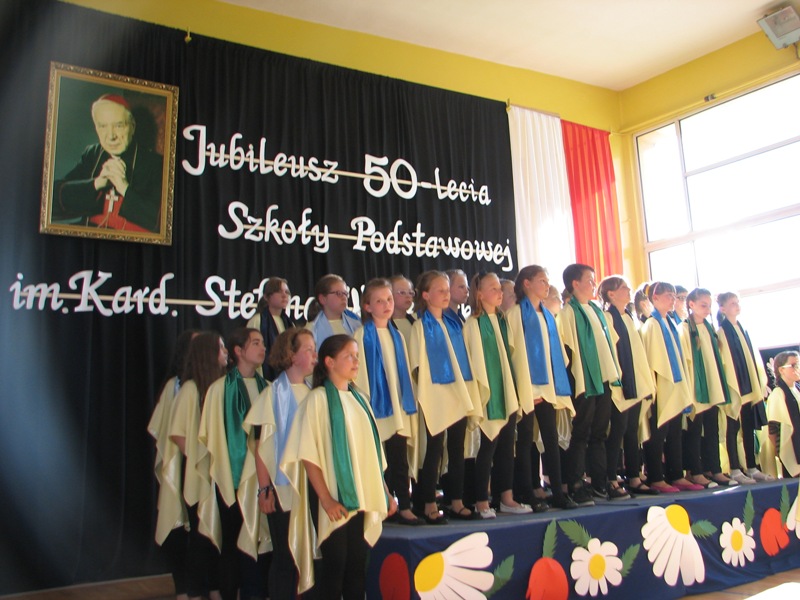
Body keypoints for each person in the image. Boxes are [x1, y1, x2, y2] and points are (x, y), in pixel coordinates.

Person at [281, 334, 396, 599]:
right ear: (329, 362)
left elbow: (372, 454)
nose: (356, 361)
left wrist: (385, 491)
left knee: (357, 566)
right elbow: (308, 454)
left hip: (361, 496)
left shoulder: (360, 399)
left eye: (357, 356)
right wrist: (326, 499)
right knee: (336, 566)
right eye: (349, 356)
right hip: (332, 496)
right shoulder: (318, 400)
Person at [198, 328, 270, 600]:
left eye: (263, 343)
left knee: (261, 543)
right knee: (232, 544)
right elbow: (212, 436)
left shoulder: (268, 388)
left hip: (263, 481)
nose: (263, 348)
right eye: (255, 343)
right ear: (238, 351)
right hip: (232, 479)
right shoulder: (219, 390)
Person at [245, 328, 316, 600]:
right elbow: (263, 447)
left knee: (311, 553)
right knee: (285, 557)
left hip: (312, 486)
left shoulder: (316, 392)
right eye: (308, 350)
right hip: (282, 488)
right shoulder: (273, 394)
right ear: (291, 355)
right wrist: (265, 489)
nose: (315, 355)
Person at [409, 270, 480, 524]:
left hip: (457, 392)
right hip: (435, 394)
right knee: (434, 449)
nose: (446, 294)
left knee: (456, 448)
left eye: (447, 290)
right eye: (440, 290)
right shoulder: (420, 326)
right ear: (426, 295)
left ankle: (456, 500)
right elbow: (416, 365)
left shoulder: (454, 324)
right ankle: (428, 502)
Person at [506, 266, 576, 510]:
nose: (546, 286)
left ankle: (558, 491)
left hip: (547, 387)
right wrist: (524, 388)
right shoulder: (516, 314)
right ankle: (527, 492)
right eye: (542, 281)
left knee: (550, 438)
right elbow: (513, 353)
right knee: (525, 439)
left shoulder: (548, 315)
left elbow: (555, 353)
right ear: (526, 283)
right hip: (527, 386)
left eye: (547, 281)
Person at [354, 279, 421, 525]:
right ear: (367, 306)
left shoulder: (397, 336)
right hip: (376, 406)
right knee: (377, 461)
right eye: (379, 301)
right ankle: (380, 506)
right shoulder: (362, 335)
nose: (386, 305)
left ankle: (404, 505)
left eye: (389, 299)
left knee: (398, 458)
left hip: (397, 407)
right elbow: (360, 375)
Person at [557, 264, 625, 505]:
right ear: (575, 283)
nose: (593, 284)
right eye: (589, 280)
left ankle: (600, 482)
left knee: (600, 432)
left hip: (603, 379)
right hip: (584, 380)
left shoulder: (597, 311)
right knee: (581, 432)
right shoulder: (568, 313)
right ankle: (576, 484)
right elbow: (567, 350)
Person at [168, 332, 228, 600]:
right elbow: (177, 433)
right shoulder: (190, 389)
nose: (226, 352)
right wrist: (199, 458)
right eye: (221, 348)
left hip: (221, 473)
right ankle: (195, 591)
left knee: (218, 536)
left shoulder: (222, 386)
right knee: (200, 535)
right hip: (199, 473)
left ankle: (215, 587)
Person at [464, 272, 528, 518]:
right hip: (488, 394)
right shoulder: (473, 324)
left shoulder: (502, 320)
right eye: (493, 288)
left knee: (506, 447)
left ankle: (506, 498)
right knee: (488, 447)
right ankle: (481, 500)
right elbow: (474, 362)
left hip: (507, 390)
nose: (499, 292)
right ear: (479, 294)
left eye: (500, 288)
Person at [52, 94, 162, 232]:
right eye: (103, 126)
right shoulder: (93, 154)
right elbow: (54, 199)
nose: (111, 136)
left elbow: (162, 221)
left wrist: (124, 188)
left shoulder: (154, 163)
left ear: (132, 127)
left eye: (119, 125)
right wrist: (96, 184)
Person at [149, 329, 200, 600]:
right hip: (180, 463)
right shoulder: (175, 386)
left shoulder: (212, 382)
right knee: (178, 527)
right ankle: (182, 588)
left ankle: (201, 587)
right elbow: (165, 428)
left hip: (203, 467)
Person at [597, 276, 658, 496]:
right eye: (624, 288)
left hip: (634, 382)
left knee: (632, 430)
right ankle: (611, 479)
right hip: (619, 384)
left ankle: (634, 476)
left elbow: (637, 353)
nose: (628, 290)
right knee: (617, 431)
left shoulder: (629, 317)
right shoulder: (607, 317)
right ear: (611, 294)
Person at [639, 282, 699, 493]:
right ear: (654, 298)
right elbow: (651, 359)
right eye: (668, 295)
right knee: (658, 433)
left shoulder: (670, 322)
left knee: (674, 431)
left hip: (675, 384)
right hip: (660, 385)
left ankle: (676, 474)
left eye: (674, 296)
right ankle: (656, 476)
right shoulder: (652, 324)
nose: (673, 299)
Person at [679, 288, 736, 487]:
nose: (707, 309)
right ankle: (695, 471)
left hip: (713, 386)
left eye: (709, 306)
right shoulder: (684, 328)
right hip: (697, 387)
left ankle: (715, 469)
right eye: (703, 305)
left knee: (712, 428)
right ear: (691, 304)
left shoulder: (710, 328)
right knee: (694, 431)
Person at [717, 292, 774, 483]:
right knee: (733, 427)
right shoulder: (722, 331)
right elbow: (725, 361)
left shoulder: (741, 328)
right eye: (732, 303)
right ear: (723, 308)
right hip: (735, 385)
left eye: (737, 302)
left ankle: (751, 467)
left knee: (748, 426)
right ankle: (734, 468)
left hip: (748, 385)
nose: (737, 305)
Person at [247, 277, 297, 380]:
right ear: (266, 297)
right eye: (279, 291)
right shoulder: (258, 321)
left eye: (287, 292)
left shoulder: (289, 324)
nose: (284, 295)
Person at [767, 351, 800, 478]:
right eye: (793, 365)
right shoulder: (778, 394)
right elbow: (773, 428)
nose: (798, 368)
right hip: (791, 453)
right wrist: (779, 454)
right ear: (781, 370)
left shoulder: (797, 389)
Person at [306, 274, 361, 346]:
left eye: (345, 293)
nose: (344, 297)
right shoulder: (311, 329)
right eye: (339, 293)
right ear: (323, 299)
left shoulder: (357, 325)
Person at [390, 274, 416, 342]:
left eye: (410, 293)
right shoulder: (384, 325)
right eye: (402, 292)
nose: (408, 296)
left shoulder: (417, 321)